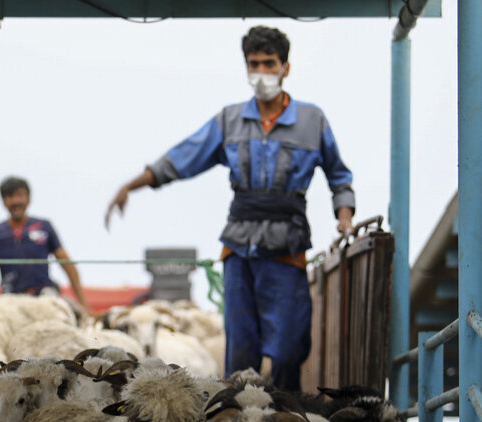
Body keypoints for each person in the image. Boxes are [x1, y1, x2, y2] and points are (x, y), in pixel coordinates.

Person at [104, 26, 355, 390]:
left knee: (288, 350)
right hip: (239, 246)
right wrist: (131, 185)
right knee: (240, 351)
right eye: (253, 64)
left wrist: (344, 216)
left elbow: (339, 175)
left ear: (286, 67)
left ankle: (287, 412)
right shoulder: (231, 120)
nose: (261, 72)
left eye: (269, 63)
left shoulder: (311, 121)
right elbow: (183, 157)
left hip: (286, 246)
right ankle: (238, 420)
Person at [0, 176, 89, 313]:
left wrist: (84, 306)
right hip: (10, 300)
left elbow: (68, 265)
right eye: (10, 196)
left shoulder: (44, 227)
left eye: (20, 195)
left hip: (44, 298)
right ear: (4, 201)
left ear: (28, 199)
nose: (16, 201)